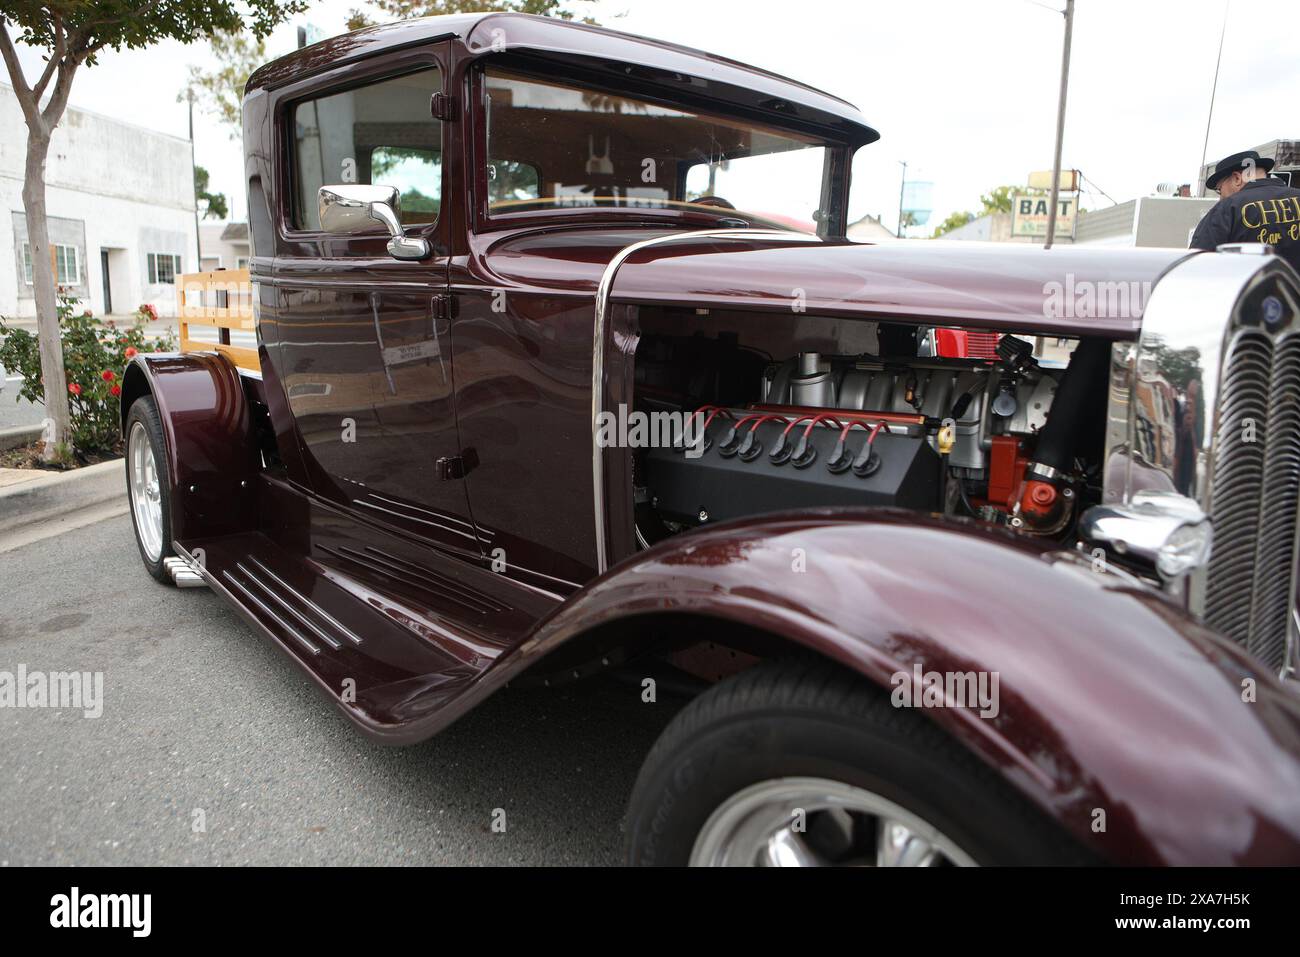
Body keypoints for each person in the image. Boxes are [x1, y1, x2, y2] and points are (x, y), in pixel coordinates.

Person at [1190, 149, 1300, 272]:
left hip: (1249, 289)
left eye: (1219, 189)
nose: (1220, 197)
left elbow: (1197, 263)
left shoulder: (1226, 209)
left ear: (1237, 178)